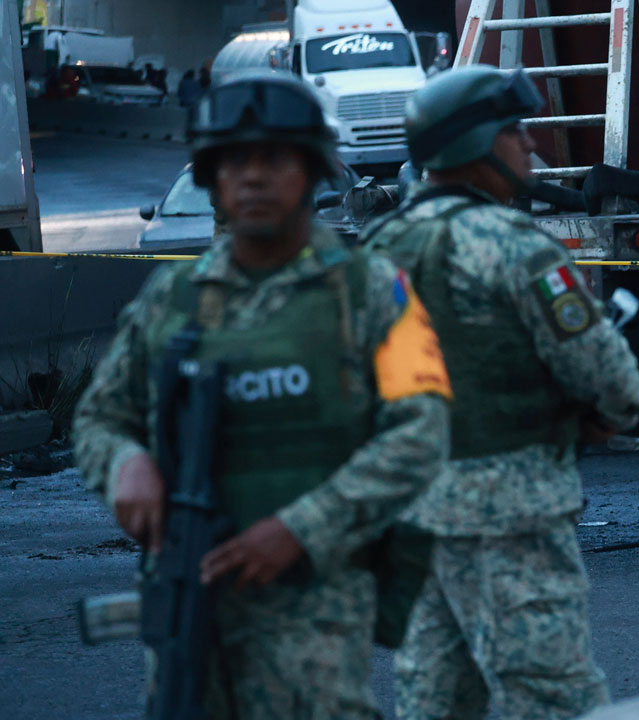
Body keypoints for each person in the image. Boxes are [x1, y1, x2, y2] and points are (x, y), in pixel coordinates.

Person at [73, 73, 453, 719]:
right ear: (212, 178)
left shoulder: (369, 291)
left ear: (309, 172)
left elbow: (424, 430)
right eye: (232, 161)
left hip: (316, 611)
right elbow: (101, 418)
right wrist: (124, 463)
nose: (250, 177)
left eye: (272, 159)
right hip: (190, 604)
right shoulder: (173, 299)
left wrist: (300, 528)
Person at [363, 65, 639, 720]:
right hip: (508, 517)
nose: (532, 148)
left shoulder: (376, 250)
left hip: (411, 518)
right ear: (475, 146)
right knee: (553, 701)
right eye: (516, 131)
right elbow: (617, 389)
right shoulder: (517, 248)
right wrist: (595, 417)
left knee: (432, 704)